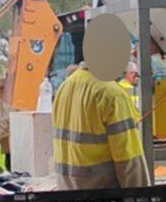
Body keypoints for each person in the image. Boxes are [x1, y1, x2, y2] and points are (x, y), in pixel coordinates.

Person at [53, 61, 150, 191]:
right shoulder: (112, 94)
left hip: (68, 197)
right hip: (103, 199)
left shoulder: (65, 87)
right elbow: (129, 161)